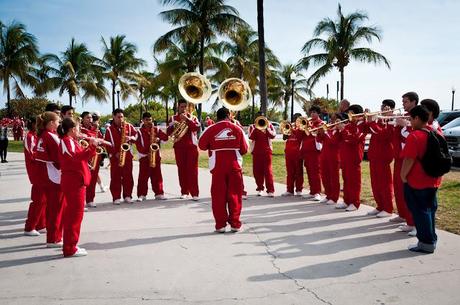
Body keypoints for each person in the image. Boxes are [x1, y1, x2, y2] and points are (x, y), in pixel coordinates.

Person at [198, 107, 248, 232]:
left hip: (217, 166)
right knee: (235, 195)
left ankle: (220, 225)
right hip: (234, 165)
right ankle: (235, 224)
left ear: (217, 116)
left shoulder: (210, 129)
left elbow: (202, 145)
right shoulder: (237, 129)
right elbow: (245, 149)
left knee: (218, 196)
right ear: (228, 115)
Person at [401, 105, 442, 253]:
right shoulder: (437, 132)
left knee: (420, 212)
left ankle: (426, 243)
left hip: (417, 181)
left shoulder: (415, 136)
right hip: (433, 179)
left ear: (417, 118)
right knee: (430, 210)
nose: (410, 122)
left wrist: (403, 176)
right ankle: (431, 239)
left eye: (411, 119)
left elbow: (409, 159)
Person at [58, 117, 96, 257]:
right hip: (74, 182)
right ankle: (70, 248)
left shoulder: (71, 141)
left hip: (75, 181)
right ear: (73, 129)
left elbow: (78, 156)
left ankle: (71, 245)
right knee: (74, 215)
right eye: (78, 128)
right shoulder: (67, 141)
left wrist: (91, 146)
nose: (80, 131)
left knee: (74, 215)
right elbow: (76, 158)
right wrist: (92, 146)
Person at [34, 111, 65, 247]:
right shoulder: (51, 136)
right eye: (58, 121)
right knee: (56, 209)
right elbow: (59, 159)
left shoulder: (44, 135)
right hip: (53, 176)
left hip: (47, 176)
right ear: (52, 123)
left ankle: (53, 236)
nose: (59, 124)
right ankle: (53, 238)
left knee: (52, 208)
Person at [391, 92, 418, 235]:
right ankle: (405, 217)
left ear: (414, 102)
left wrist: (405, 125)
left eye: (406, 101)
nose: (403, 104)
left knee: (410, 192)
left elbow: (415, 135)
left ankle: (415, 223)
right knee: (399, 189)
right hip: (399, 157)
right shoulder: (405, 115)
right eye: (403, 101)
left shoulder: (418, 115)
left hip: (409, 158)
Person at [366, 100, 396, 218]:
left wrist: (371, 122)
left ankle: (388, 208)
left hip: (383, 156)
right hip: (374, 155)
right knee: (375, 183)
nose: (382, 109)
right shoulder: (380, 120)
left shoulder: (392, 120)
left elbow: (383, 134)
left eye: (385, 107)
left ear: (392, 109)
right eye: (382, 106)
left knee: (385, 183)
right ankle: (380, 205)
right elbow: (369, 130)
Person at [167, 99, 200, 200]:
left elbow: (196, 128)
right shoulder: (173, 118)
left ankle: (195, 193)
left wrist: (187, 119)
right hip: (179, 147)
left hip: (191, 147)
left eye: (185, 107)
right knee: (181, 170)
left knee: (193, 170)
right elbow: (168, 133)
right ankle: (184, 191)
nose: (184, 108)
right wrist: (173, 125)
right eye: (182, 107)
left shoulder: (193, 117)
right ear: (178, 107)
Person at [336, 104, 367, 211]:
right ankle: (347, 200)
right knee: (346, 180)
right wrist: (338, 129)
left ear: (357, 114)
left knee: (354, 181)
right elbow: (339, 139)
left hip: (354, 158)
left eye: (351, 113)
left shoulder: (361, 126)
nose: (349, 116)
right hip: (345, 157)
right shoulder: (348, 125)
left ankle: (355, 202)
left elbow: (354, 139)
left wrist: (343, 130)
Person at [104, 108, 137, 204]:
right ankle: (116, 197)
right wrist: (115, 153)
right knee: (115, 177)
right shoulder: (109, 130)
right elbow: (107, 143)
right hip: (115, 157)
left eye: (122, 117)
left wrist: (131, 138)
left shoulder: (129, 126)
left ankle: (128, 195)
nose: (121, 119)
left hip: (127, 156)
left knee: (128, 177)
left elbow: (136, 136)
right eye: (118, 117)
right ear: (113, 117)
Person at [135, 112, 169, 201]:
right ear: (142, 121)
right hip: (144, 157)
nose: (149, 121)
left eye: (150, 119)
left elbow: (166, 138)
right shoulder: (139, 131)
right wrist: (146, 152)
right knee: (143, 176)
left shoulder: (156, 129)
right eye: (146, 120)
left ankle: (159, 193)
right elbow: (138, 144)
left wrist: (159, 139)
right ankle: (142, 194)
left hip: (156, 156)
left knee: (157, 175)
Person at [23, 117, 47, 236]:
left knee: (44, 200)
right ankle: (30, 226)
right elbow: (33, 154)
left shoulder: (39, 136)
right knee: (38, 200)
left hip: (43, 171)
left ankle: (41, 224)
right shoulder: (30, 136)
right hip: (36, 172)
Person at [248, 112, 276, 197]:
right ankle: (260, 188)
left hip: (267, 151)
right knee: (257, 171)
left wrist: (266, 128)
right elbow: (251, 137)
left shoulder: (269, 125)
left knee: (268, 171)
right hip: (256, 151)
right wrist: (257, 128)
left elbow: (273, 135)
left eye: (263, 117)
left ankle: (270, 190)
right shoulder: (252, 126)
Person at [300, 105, 324, 201]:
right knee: (309, 172)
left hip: (315, 150)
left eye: (314, 112)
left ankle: (317, 192)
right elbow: (301, 135)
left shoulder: (321, 123)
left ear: (318, 114)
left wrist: (310, 126)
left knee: (315, 172)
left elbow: (317, 134)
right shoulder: (307, 122)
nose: (312, 114)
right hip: (306, 150)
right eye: (311, 112)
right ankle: (312, 191)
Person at [80, 111, 103, 208]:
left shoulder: (95, 129)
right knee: (83, 181)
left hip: (95, 157)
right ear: (82, 119)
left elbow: (101, 141)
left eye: (91, 118)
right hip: (84, 157)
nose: (90, 120)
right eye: (87, 118)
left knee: (93, 180)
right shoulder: (79, 129)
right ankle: (81, 202)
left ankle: (90, 199)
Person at [319, 113, 342, 205]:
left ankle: (334, 197)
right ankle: (328, 195)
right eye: (331, 119)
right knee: (325, 176)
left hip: (334, 156)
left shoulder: (339, 131)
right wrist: (320, 132)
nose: (332, 121)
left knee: (334, 177)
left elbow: (333, 142)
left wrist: (325, 132)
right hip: (324, 155)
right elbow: (319, 140)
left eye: (335, 120)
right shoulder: (328, 130)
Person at [281, 113, 304, 197]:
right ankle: (289, 190)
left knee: (298, 172)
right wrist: (286, 130)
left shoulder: (302, 127)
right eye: (294, 118)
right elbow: (284, 138)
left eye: (297, 118)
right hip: (288, 152)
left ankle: (299, 189)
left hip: (297, 153)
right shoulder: (290, 126)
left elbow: (299, 136)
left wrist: (292, 129)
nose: (295, 120)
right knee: (290, 172)